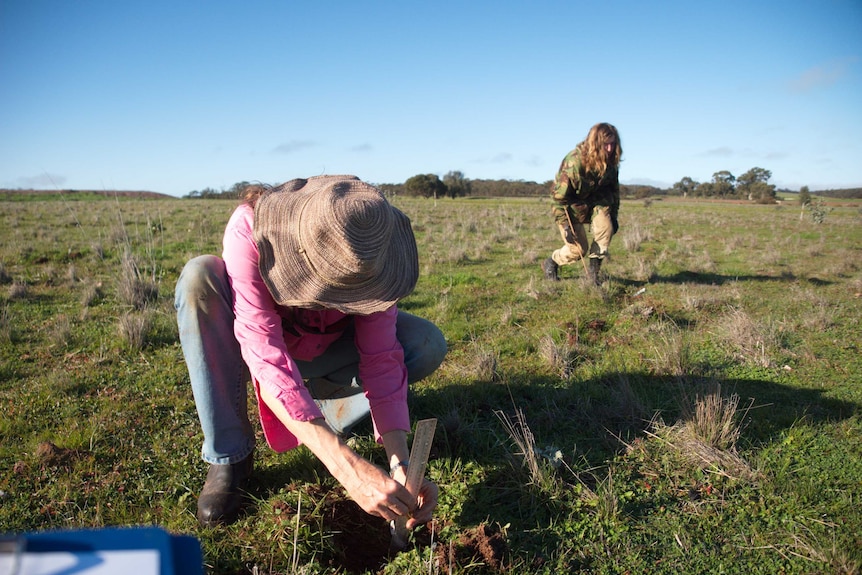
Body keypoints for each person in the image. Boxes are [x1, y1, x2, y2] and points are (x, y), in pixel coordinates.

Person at [174, 175, 447, 529]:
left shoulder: (372, 250)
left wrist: (400, 462)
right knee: (200, 275)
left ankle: (326, 414)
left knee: (424, 342)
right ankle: (230, 456)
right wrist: (346, 467)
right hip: (255, 343)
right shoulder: (251, 231)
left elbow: (381, 358)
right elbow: (264, 351)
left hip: (329, 346)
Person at [542, 123, 622, 284]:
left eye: (612, 144)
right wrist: (565, 226)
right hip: (572, 206)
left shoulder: (611, 164)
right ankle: (551, 262)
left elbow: (614, 191)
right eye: (605, 145)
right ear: (595, 143)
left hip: (598, 203)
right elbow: (559, 198)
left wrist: (613, 216)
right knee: (577, 250)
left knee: (605, 230)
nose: (609, 149)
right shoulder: (575, 162)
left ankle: (593, 275)